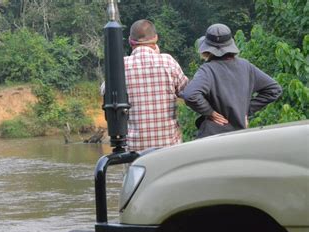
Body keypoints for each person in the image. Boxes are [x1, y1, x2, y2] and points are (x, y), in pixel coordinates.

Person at [180, 23, 282, 138]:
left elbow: (190, 95)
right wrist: (244, 111)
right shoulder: (246, 66)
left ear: (207, 49)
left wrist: (210, 112)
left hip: (212, 137)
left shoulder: (207, 69)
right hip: (238, 137)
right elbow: (274, 90)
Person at [113, 19, 188, 151]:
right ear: (156, 38)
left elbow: (105, 92)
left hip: (134, 148)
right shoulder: (168, 62)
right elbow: (187, 92)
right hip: (168, 146)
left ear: (130, 41)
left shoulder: (121, 65)